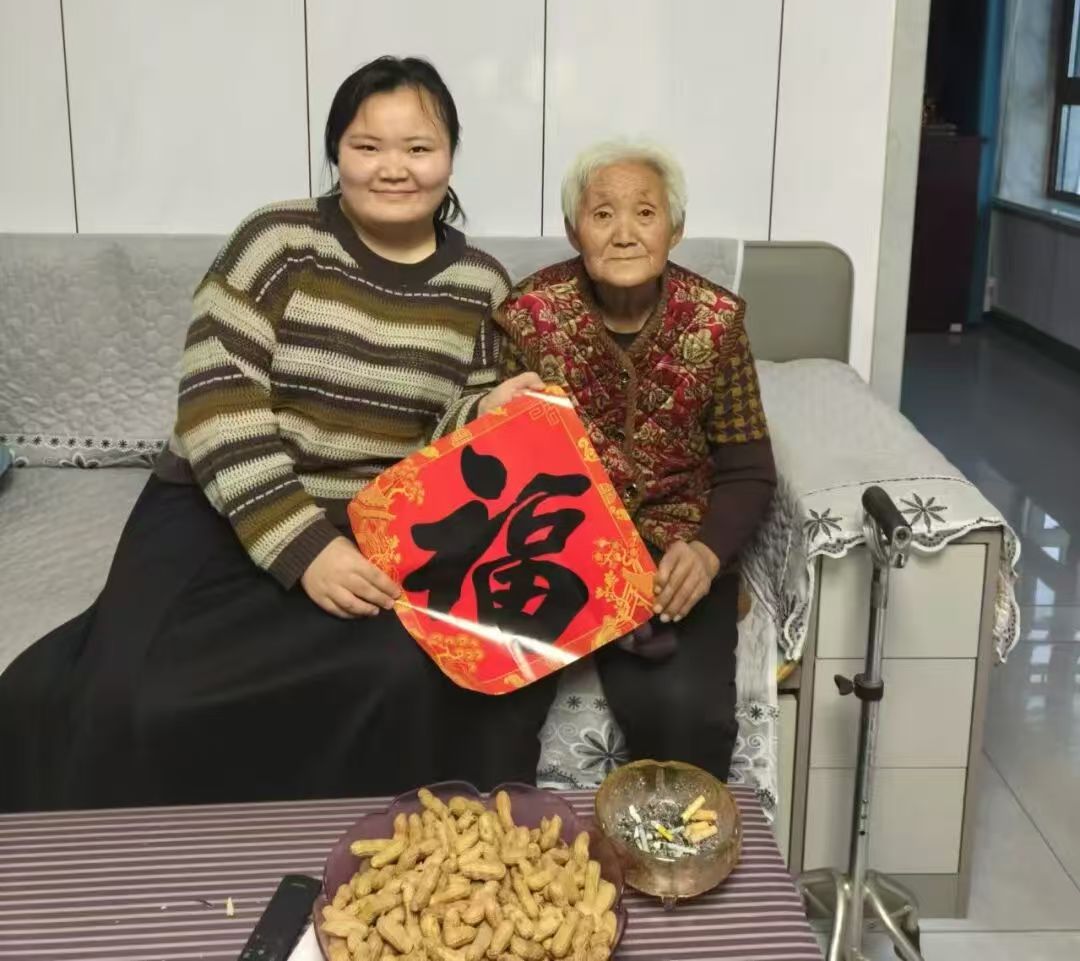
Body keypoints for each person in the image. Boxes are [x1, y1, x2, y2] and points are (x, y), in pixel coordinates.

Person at [0, 56, 544, 811]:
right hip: (221, 507)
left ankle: (328, 848)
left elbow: (448, 433)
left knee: (398, 675)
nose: (394, 168)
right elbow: (216, 406)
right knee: (135, 700)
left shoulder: (481, 283)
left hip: (370, 526)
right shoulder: (277, 240)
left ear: (450, 156)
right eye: (367, 146)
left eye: (419, 148)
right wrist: (304, 548)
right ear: (336, 153)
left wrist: (485, 414)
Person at [495, 141, 777, 780]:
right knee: (491, 701)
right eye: (602, 214)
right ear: (574, 231)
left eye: (645, 213)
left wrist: (707, 553)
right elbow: (507, 463)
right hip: (555, 547)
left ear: (675, 230)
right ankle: (501, 841)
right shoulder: (529, 317)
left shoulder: (716, 323)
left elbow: (748, 468)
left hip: (673, 553)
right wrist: (595, 574)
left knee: (685, 712)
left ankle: (668, 847)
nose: (624, 233)